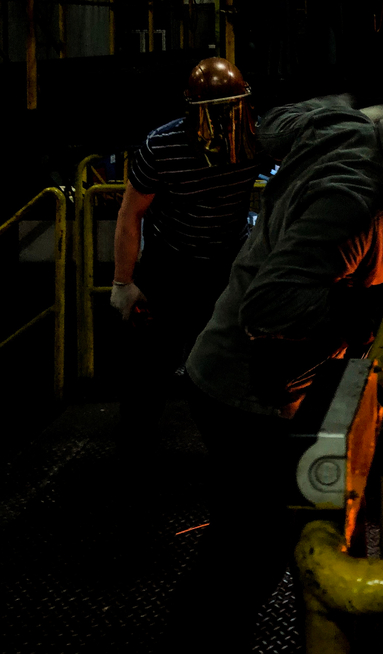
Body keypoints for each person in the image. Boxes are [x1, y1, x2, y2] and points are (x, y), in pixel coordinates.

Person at [172, 84, 383, 649]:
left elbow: (272, 124)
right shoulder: (358, 199)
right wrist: (380, 300)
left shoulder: (341, 124)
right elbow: (272, 308)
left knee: (238, 539)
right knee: (245, 558)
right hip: (248, 392)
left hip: (230, 369)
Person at [109, 57, 264, 450]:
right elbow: (131, 213)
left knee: (222, 364)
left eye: (230, 112)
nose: (223, 124)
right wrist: (123, 282)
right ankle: (134, 446)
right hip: (170, 264)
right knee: (148, 365)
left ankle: (226, 449)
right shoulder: (161, 146)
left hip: (226, 264)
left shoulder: (253, 138)